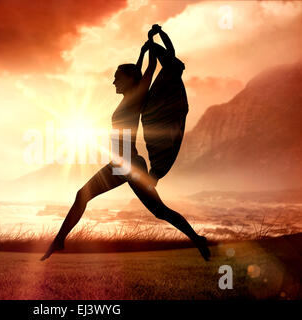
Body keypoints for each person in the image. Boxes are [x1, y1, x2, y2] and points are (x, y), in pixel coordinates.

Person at [40, 25, 210, 262]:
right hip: (122, 163)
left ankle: (197, 239)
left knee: (152, 210)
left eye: (117, 78)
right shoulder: (131, 95)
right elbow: (139, 70)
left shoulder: (137, 94)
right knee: (151, 209)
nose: (113, 83)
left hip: (127, 164)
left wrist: (153, 40)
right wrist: (142, 52)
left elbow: (151, 67)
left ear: (130, 80)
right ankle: (59, 240)